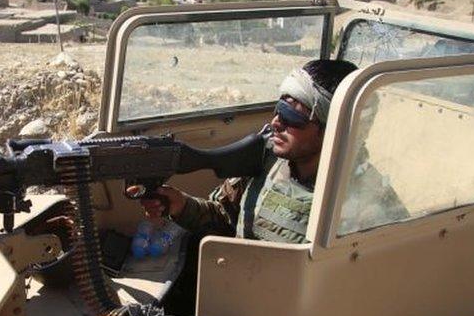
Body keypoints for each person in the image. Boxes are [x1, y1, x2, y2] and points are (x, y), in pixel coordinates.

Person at [134, 59, 359, 243]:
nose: (276, 123)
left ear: (333, 129)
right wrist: (181, 205)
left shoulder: (362, 199)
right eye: (279, 110)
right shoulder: (265, 159)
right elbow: (226, 218)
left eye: (292, 118)